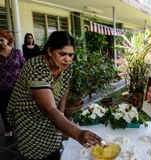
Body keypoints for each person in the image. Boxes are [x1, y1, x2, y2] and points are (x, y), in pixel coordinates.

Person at [6, 31, 102, 159]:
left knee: (55, 147)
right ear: (50, 51)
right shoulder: (36, 67)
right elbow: (48, 109)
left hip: (53, 114)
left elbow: (65, 86)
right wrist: (78, 134)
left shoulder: (65, 66)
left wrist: (61, 112)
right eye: (62, 54)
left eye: (71, 55)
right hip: (29, 117)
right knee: (37, 152)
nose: (67, 59)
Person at [0, 30, 26, 137]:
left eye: (2, 40)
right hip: (1, 87)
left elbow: (25, 66)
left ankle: (22, 127)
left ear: (7, 39)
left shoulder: (17, 52)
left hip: (17, 86)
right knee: (4, 109)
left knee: (19, 108)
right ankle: (8, 128)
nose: (0, 42)